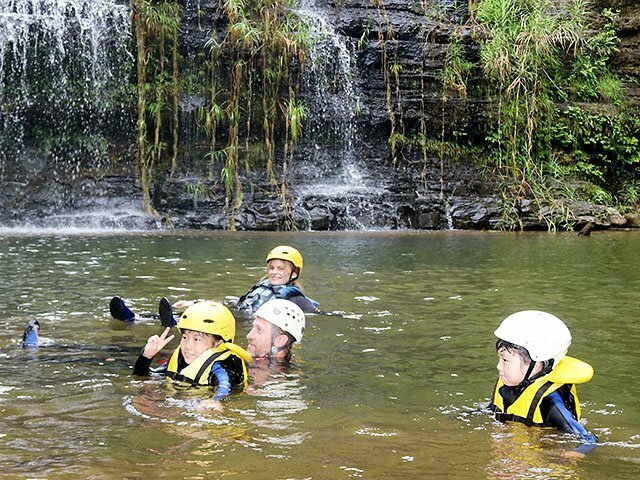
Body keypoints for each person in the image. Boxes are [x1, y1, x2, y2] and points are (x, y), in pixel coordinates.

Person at [489, 310, 597, 451]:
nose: (499, 366)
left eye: (505, 360)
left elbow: (588, 440)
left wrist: (575, 454)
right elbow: (491, 409)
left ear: (537, 365)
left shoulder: (550, 402)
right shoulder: (507, 384)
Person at [133, 301, 252, 405]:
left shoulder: (220, 366)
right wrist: (146, 356)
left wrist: (216, 401)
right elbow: (143, 377)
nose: (187, 346)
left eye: (196, 339)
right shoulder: (180, 359)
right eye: (185, 337)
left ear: (218, 343)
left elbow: (225, 387)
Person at [236, 245, 319, 314]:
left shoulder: (299, 301)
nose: (274, 272)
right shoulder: (260, 288)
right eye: (272, 268)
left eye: (280, 269)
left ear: (294, 273)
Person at [246, 299, 305, 365]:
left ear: (280, 341)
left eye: (259, 330)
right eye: (253, 327)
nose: (249, 336)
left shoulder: (285, 374)